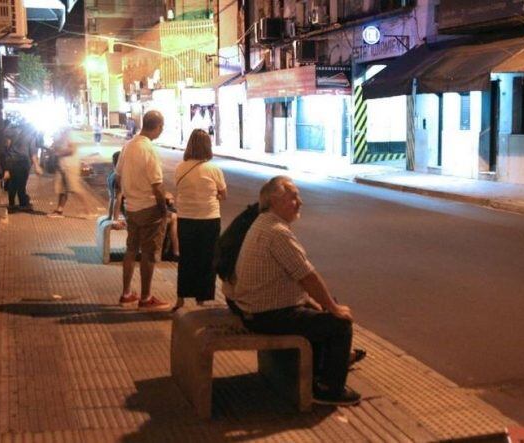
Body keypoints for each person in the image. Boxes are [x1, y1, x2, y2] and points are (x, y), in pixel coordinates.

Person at [231, 175, 361, 406]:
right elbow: (307, 276)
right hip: (266, 315)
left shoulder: (263, 222)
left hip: (254, 308)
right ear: (274, 201)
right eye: (293, 197)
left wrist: (318, 302)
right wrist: (332, 307)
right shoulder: (277, 232)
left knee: (325, 306)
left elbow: (297, 279)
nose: (300, 202)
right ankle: (329, 390)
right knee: (339, 323)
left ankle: (320, 372)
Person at [114, 110, 172, 311]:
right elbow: (157, 186)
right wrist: (164, 210)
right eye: (161, 127)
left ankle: (126, 294)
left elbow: (118, 177)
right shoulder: (149, 150)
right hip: (148, 208)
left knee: (131, 250)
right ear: (157, 126)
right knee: (148, 254)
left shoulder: (128, 146)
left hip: (131, 207)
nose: (161, 131)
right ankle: (146, 298)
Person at [173, 129, 226, 309]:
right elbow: (223, 194)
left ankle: (181, 298)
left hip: (185, 218)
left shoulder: (180, 167)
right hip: (209, 218)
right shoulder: (213, 169)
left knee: (186, 258)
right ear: (207, 146)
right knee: (206, 259)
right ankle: (201, 299)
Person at [2, 122, 42, 212]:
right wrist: (37, 166)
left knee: (12, 183)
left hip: (11, 161)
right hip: (23, 162)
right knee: (21, 184)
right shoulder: (32, 137)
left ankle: (11, 204)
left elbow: (7, 143)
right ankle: (23, 204)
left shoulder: (15, 134)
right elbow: (33, 153)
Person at [47, 127, 85, 218]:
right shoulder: (62, 137)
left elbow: (71, 150)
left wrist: (58, 153)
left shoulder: (71, 136)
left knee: (75, 189)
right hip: (63, 166)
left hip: (70, 166)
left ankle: (88, 211)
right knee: (62, 189)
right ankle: (59, 211)